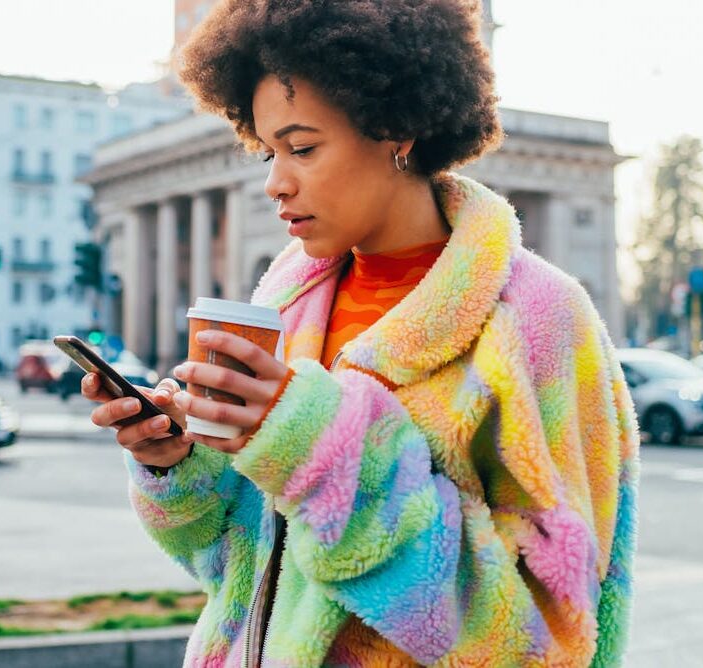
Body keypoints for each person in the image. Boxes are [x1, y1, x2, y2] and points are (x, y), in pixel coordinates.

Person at [82, 1, 639, 665]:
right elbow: (245, 569)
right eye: (267, 152)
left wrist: (319, 447)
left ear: (395, 129)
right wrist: (178, 463)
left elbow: (542, 636)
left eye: (303, 148)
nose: (274, 183)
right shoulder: (288, 306)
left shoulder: (539, 321)